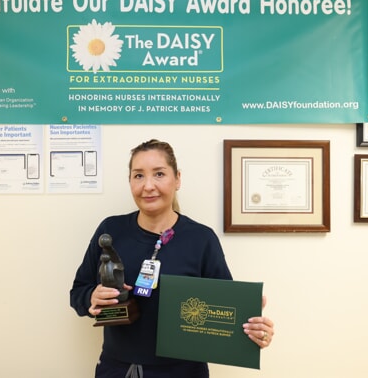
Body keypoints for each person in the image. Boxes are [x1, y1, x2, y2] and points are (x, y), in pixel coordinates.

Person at [70, 139, 275, 378]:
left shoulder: (201, 239)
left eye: (159, 174)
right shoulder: (110, 231)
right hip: (118, 369)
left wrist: (253, 329)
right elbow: (78, 294)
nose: (148, 186)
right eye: (138, 176)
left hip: (184, 371)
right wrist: (91, 297)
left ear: (177, 179)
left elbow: (226, 314)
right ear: (129, 181)